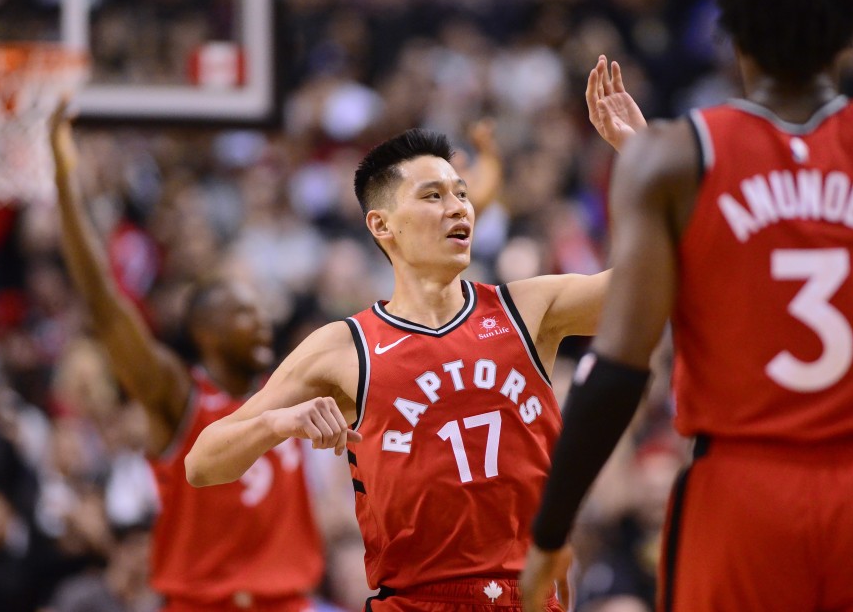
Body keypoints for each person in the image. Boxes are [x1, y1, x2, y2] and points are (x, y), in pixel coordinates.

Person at [521, 0, 853, 611]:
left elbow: (617, 373)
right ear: (851, 33)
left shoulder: (674, 163)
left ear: (731, 29)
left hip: (741, 494)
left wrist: (549, 533)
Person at [185, 120, 616, 611]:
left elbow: (652, 283)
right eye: (432, 196)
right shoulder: (346, 347)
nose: (458, 207)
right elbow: (201, 463)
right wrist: (278, 422)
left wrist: (643, 156)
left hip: (532, 595)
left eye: (461, 193)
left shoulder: (528, 309)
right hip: (417, 601)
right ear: (382, 225)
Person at [48, 104, 325, 612]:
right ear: (206, 333)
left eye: (260, 310)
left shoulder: (293, 387)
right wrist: (67, 186)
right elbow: (105, 306)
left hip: (289, 603)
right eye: (243, 313)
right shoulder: (176, 395)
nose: (261, 320)